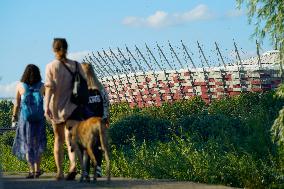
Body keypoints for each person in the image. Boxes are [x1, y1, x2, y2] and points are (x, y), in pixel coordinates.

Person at [44, 38, 86, 180]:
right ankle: (77, 167)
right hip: (73, 107)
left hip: (55, 107)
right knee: (72, 140)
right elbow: (84, 84)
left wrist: (46, 107)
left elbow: (49, 89)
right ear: (67, 48)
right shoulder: (76, 65)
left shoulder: (51, 66)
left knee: (58, 140)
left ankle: (60, 172)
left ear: (53, 50)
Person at [12, 64, 47, 179]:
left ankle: (31, 171)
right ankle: (37, 170)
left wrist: (14, 117)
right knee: (38, 144)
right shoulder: (42, 86)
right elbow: (48, 100)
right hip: (39, 119)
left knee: (27, 145)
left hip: (25, 120)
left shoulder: (20, 86)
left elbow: (17, 104)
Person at [81, 62, 110, 181]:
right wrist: (105, 118)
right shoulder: (100, 87)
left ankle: (86, 172)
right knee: (98, 146)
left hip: (86, 123)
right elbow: (106, 103)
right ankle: (97, 168)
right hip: (99, 121)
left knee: (86, 148)